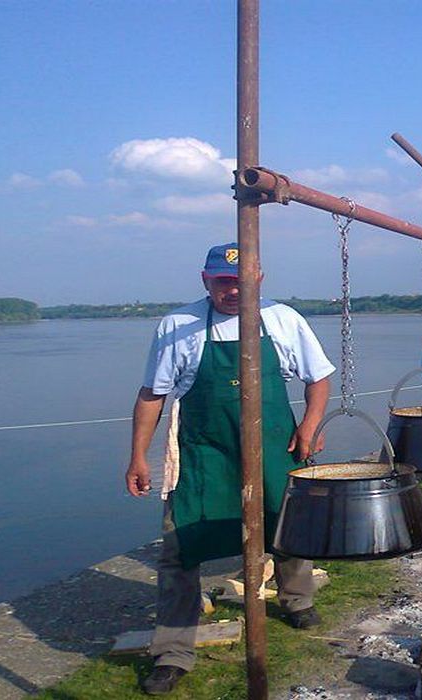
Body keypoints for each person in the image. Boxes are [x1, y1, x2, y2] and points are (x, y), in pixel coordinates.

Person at [126, 243, 335, 695]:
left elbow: (318, 378)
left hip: (276, 445)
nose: (232, 291)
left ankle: (297, 600)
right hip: (204, 453)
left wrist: (310, 425)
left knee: (289, 526)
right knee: (181, 547)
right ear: (205, 281)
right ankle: (173, 652)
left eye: (240, 283)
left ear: (258, 280)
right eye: (222, 283)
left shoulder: (284, 320)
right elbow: (152, 395)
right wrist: (138, 456)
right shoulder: (177, 325)